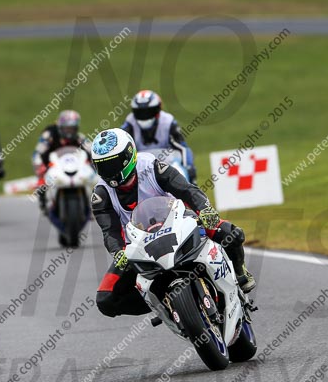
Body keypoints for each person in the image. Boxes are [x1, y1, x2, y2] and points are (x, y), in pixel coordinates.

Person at [90, 128, 255, 318]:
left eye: (114, 163)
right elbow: (109, 231)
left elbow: (186, 190)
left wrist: (205, 209)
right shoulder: (101, 195)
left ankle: (240, 272)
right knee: (106, 300)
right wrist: (117, 251)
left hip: (178, 223)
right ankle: (162, 304)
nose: (110, 172)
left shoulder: (151, 166)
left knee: (231, 233)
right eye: (103, 166)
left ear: (129, 155)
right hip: (139, 246)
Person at [121, 90, 196, 181]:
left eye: (149, 112)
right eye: (140, 113)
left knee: (181, 173)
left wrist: (189, 167)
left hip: (167, 163)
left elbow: (183, 148)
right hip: (139, 166)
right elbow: (122, 149)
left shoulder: (168, 122)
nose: (145, 117)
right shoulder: (129, 125)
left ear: (157, 111)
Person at [32, 110, 90, 213]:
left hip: (73, 166)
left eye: (72, 129)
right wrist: (40, 166)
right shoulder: (49, 136)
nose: (69, 132)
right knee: (41, 176)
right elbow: (38, 152)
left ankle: (92, 202)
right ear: (60, 127)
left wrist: (93, 162)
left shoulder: (79, 137)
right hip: (52, 165)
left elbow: (91, 150)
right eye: (66, 128)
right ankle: (44, 201)